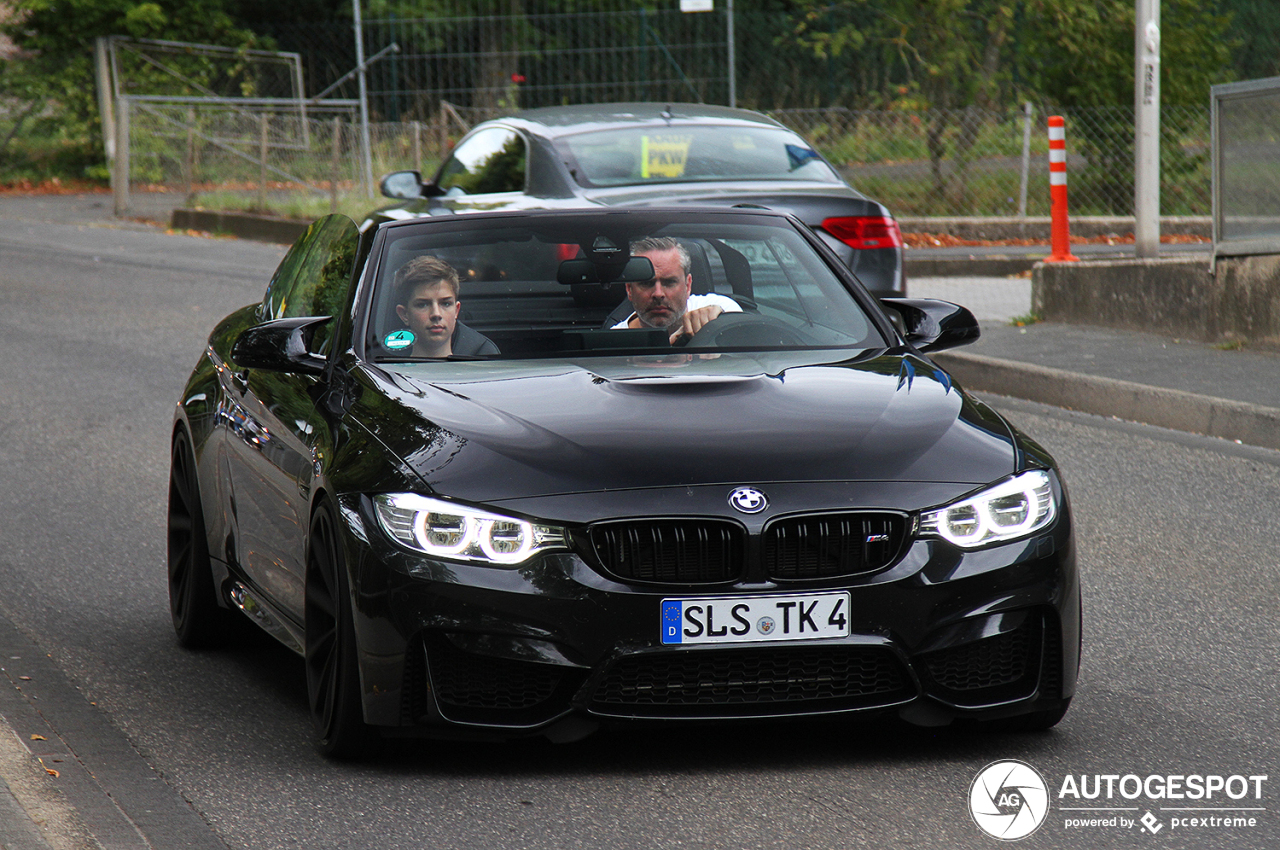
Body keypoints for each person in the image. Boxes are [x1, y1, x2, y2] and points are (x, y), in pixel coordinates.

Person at [611, 237, 740, 343]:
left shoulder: (719, 307)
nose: (658, 294)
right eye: (647, 283)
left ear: (688, 285)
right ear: (629, 289)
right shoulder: (614, 342)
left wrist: (720, 321)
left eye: (669, 282)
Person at [393, 256, 498, 357]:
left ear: (456, 310)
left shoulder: (479, 372)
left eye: (446, 303)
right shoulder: (387, 373)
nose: (436, 314)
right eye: (422, 304)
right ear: (404, 314)